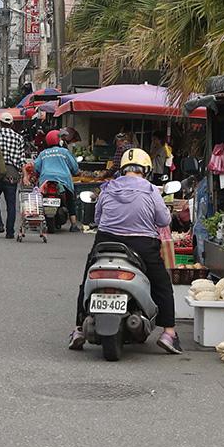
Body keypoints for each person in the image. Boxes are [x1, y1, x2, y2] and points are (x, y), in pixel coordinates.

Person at [69, 149, 181, 355]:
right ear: (145, 170)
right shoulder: (150, 189)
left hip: (106, 241)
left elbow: (98, 217)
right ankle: (168, 333)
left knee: (87, 280)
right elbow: (164, 221)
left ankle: (77, 330)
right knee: (162, 284)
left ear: (122, 169)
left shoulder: (108, 187)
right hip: (142, 244)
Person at [0, 111, 28, 239]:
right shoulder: (19, 138)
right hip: (12, 173)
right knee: (11, 204)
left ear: (0, 123)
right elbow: (22, 160)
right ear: (12, 124)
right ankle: (10, 232)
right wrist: (24, 176)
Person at [34, 129, 81, 232]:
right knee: (70, 200)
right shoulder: (64, 152)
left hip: (45, 180)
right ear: (59, 140)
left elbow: (36, 168)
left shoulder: (43, 153)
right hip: (63, 180)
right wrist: (77, 172)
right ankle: (73, 224)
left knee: (39, 199)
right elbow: (74, 167)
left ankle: (37, 220)